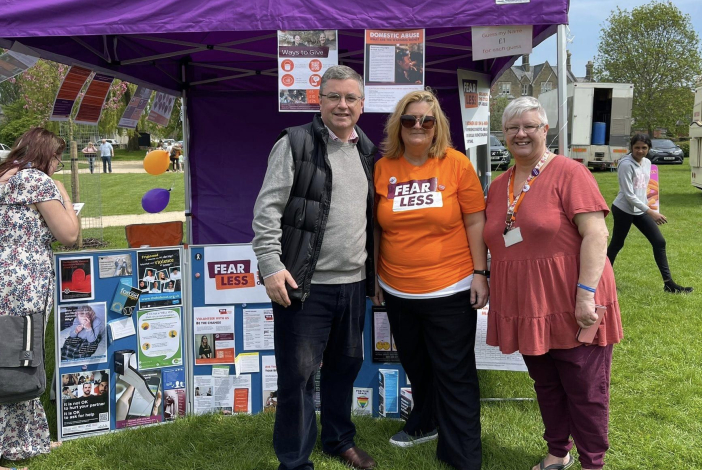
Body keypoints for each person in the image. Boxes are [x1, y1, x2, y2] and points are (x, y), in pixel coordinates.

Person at [484, 97, 623, 470]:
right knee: (546, 384)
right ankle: (557, 452)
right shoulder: (499, 185)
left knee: (585, 388)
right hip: (526, 304)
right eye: (512, 128)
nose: (520, 133)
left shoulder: (569, 173)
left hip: (572, 298)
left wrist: (586, 295)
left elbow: (596, 234)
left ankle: (593, 461)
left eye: (529, 126)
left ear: (546, 130)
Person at [252, 65, 377, 470]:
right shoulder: (295, 144)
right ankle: (295, 460)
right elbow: (267, 210)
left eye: (351, 98)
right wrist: (270, 264)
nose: (343, 105)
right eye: (334, 97)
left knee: (344, 369)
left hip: (354, 285)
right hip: (305, 285)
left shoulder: (366, 151)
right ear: (318, 101)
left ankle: (338, 440)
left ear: (362, 104)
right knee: (299, 378)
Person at [372, 90, 487, 470]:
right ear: (398, 126)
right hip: (397, 288)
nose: (418, 126)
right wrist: (375, 273)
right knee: (416, 364)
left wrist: (480, 272)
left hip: (449, 288)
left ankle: (463, 456)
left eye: (427, 120)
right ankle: (424, 422)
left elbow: (474, 220)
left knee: (454, 373)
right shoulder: (383, 166)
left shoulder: (456, 164)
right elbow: (377, 225)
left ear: (438, 126)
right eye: (409, 120)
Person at [0, 127, 78, 470]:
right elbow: (69, 234)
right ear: (46, 155)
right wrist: (63, 194)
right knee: (18, 360)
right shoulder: (37, 182)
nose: (57, 165)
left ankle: (22, 440)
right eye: (57, 158)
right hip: (22, 287)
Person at [607, 134, 693, 293]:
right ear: (631, 148)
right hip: (623, 209)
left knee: (659, 242)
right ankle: (602, 281)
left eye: (644, 148)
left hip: (641, 209)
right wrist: (651, 212)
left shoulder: (647, 163)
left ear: (649, 148)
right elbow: (629, 194)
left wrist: (650, 207)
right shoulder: (626, 165)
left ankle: (669, 284)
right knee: (617, 244)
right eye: (637, 147)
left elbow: (644, 188)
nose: (640, 151)